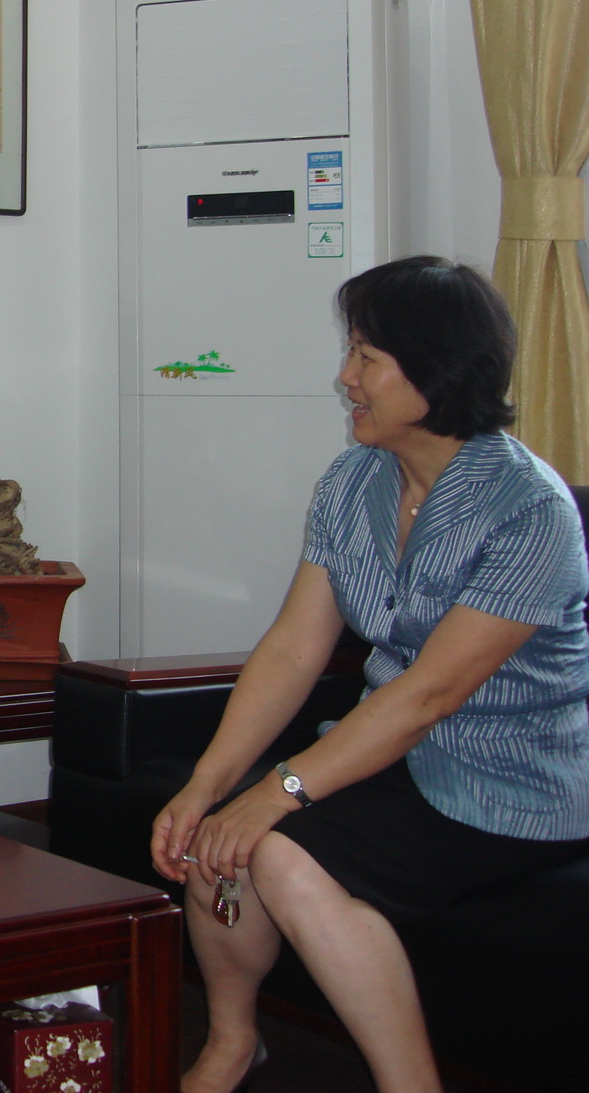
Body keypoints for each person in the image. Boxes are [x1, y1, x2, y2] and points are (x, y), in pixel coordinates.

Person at [150, 255, 589, 1093]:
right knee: (218, 843)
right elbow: (294, 646)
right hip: (392, 755)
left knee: (280, 856)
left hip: (514, 781)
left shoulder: (530, 508)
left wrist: (277, 791)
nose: (345, 378)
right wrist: (210, 782)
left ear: (438, 369)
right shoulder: (354, 481)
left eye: (367, 357)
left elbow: (429, 695)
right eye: (350, 353)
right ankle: (233, 1044)